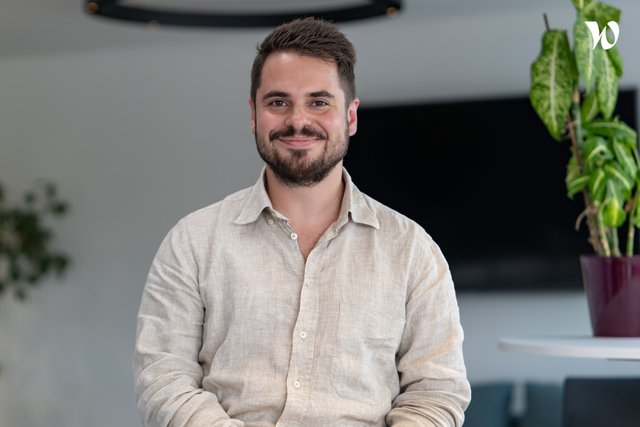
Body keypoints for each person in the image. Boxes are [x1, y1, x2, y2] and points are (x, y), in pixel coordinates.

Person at [134, 17, 470, 427]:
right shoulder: (192, 242)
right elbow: (163, 381)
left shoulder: (412, 249)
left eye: (319, 102)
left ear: (350, 117)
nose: (297, 120)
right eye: (278, 102)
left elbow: (436, 393)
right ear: (254, 115)